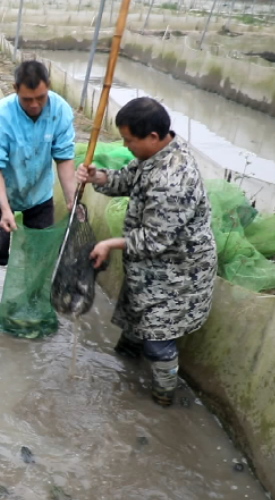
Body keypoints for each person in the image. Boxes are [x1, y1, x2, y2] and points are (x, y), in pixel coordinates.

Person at [76, 97, 217, 407]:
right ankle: (127, 365)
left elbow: (156, 239)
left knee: (158, 340)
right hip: (148, 269)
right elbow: (125, 179)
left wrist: (109, 243)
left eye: (129, 140)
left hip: (178, 274)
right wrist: (98, 176)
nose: (126, 146)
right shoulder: (150, 156)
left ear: (152, 137)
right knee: (136, 324)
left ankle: (163, 395)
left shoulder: (173, 176)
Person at [0, 60, 77, 312]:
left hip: (38, 193)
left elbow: (63, 158)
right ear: (15, 89)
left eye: (40, 98)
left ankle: (29, 306)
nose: (34, 105)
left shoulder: (60, 111)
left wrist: (72, 199)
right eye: (27, 99)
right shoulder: (0, 117)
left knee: (38, 251)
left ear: (48, 88)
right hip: (2, 192)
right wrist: (5, 209)